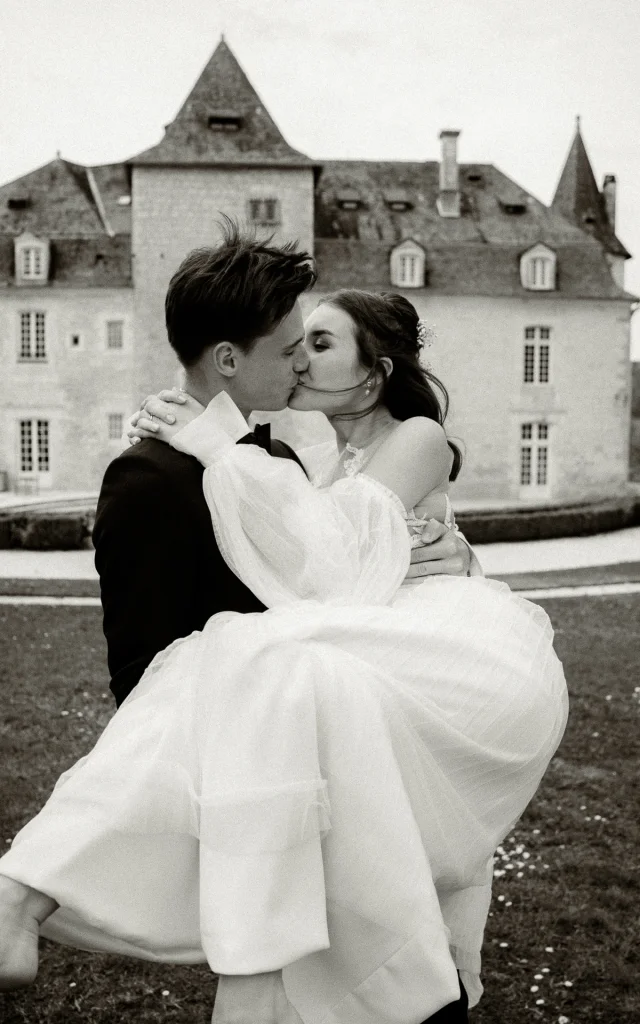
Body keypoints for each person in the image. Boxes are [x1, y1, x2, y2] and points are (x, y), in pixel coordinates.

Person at [0, 234, 567, 1024]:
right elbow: (292, 567)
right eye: (295, 343)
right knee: (249, 669)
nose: (301, 359)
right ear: (232, 357)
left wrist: (214, 444)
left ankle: (25, 887)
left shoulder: (415, 438)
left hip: (443, 666)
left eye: (320, 343)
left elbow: (339, 561)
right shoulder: (298, 466)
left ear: (377, 374)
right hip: (338, 702)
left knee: (242, 653)